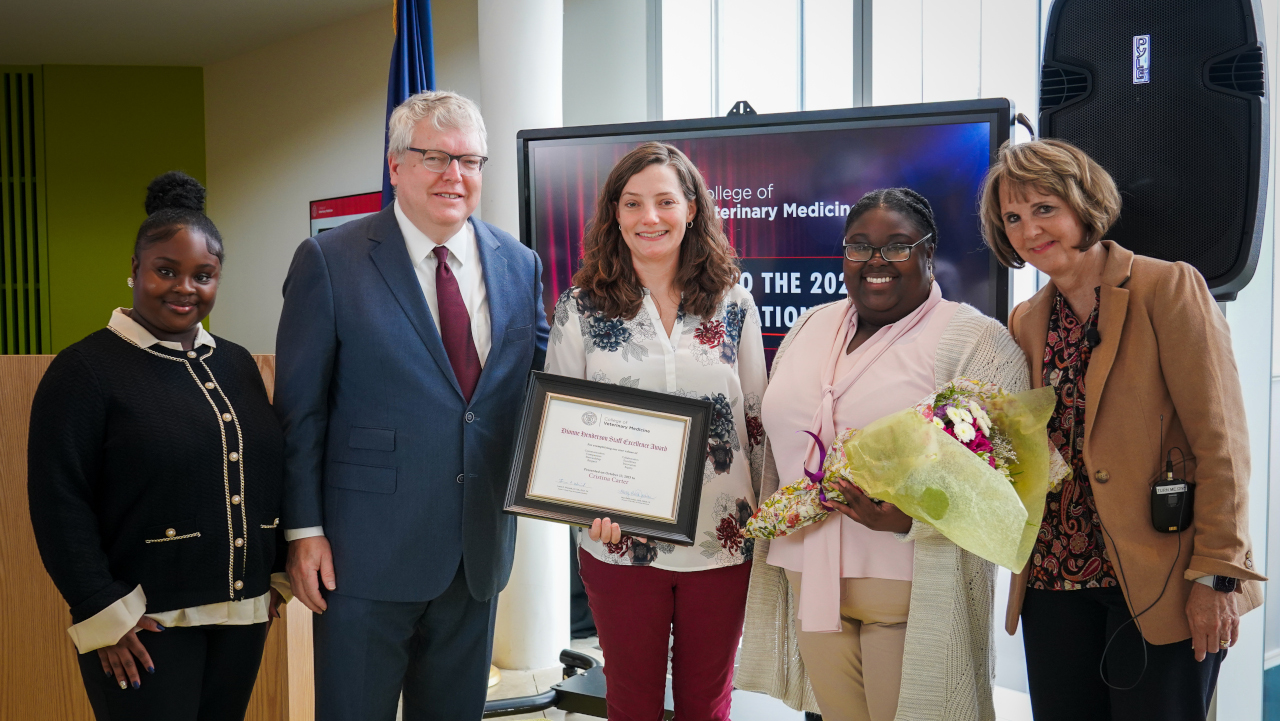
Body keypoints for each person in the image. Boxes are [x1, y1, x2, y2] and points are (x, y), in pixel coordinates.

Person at [275, 90, 549, 721]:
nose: (455, 175)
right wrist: (304, 531)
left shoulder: (520, 264)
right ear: (395, 166)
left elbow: (541, 387)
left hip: (475, 554)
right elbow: (300, 413)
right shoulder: (331, 260)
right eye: (435, 157)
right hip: (362, 556)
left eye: (471, 161)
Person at [980, 138, 1265, 721]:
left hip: (1162, 578)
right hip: (1055, 581)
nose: (1029, 230)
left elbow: (1223, 446)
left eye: (1043, 209)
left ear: (1083, 204)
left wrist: (1218, 576)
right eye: (1012, 217)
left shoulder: (1168, 287)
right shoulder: (1026, 320)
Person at [736, 188, 1028, 721]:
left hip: (910, 589)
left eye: (896, 246)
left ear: (928, 251)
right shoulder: (811, 325)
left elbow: (1003, 484)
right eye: (859, 246)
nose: (876, 261)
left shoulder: (975, 339)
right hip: (810, 578)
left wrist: (907, 518)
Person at [27, 171, 288, 721]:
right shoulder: (84, 370)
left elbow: (265, 472)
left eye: (204, 275)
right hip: (141, 626)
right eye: (166, 271)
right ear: (134, 271)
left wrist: (276, 574)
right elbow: (58, 502)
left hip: (242, 616)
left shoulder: (237, 362)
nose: (184, 288)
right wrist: (101, 611)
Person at [543, 141, 767, 721]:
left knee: (707, 703)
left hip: (722, 538)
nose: (650, 218)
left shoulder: (734, 302)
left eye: (665, 201)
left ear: (691, 208)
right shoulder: (580, 308)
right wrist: (580, 506)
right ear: (614, 213)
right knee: (632, 703)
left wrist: (772, 516)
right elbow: (558, 426)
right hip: (618, 540)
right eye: (633, 203)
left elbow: (757, 420)